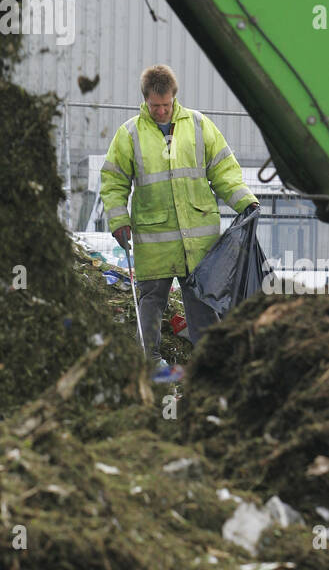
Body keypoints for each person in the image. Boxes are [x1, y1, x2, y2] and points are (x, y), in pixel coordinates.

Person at [100, 64, 259, 369]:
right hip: (154, 240)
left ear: (174, 97)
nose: (161, 111)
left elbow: (224, 171)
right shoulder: (130, 133)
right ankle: (148, 364)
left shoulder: (199, 126)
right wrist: (118, 220)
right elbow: (113, 180)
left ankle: (209, 366)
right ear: (145, 100)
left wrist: (245, 202)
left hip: (198, 243)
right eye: (155, 106)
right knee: (151, 302)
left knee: (201, 305)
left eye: (166, 104)